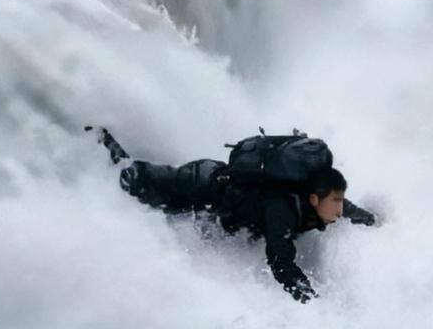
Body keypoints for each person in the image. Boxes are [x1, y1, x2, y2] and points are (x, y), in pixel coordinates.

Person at [87, 126, 376, 302]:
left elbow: (344, 206)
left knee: (152, 198)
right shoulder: (281, 210)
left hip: (215, 191)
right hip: (202, 184)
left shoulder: (316, 193)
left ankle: (104, 144)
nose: (339, 209)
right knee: (137, 183)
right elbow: (280, 262)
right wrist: (311, 301)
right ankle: (96, 140)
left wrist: (369, 220)